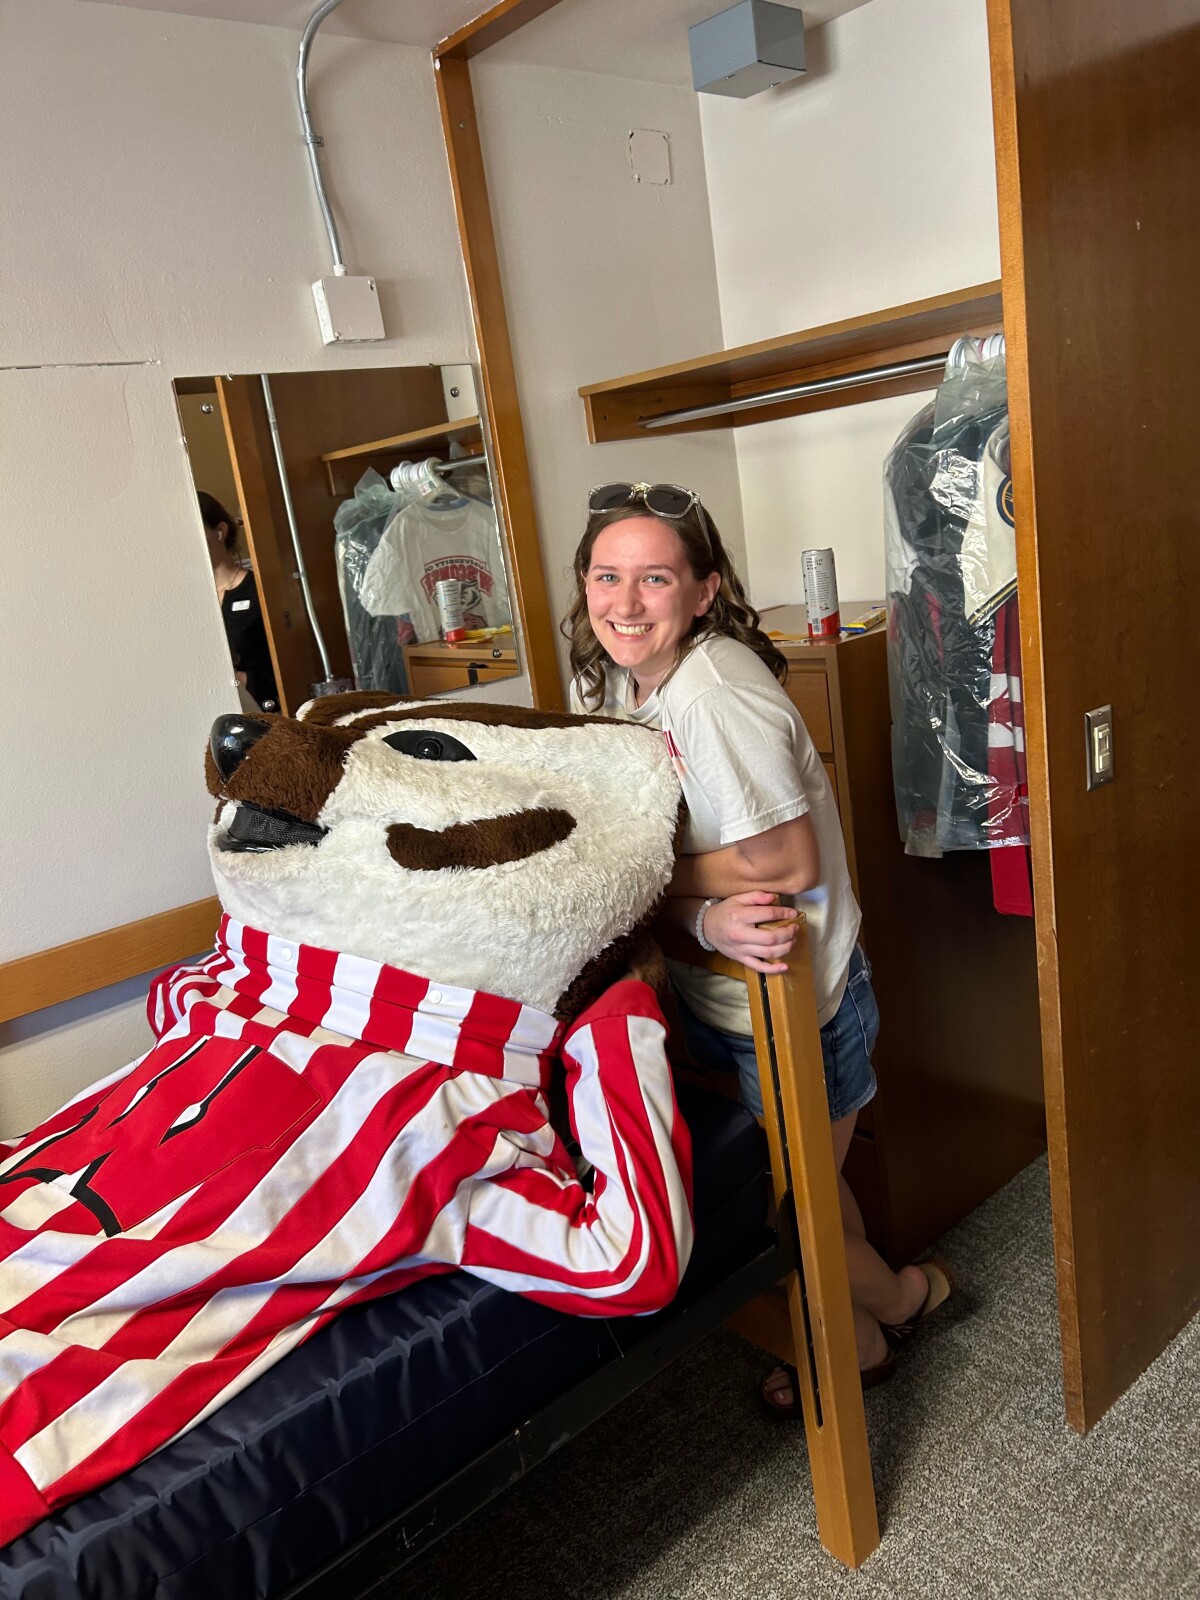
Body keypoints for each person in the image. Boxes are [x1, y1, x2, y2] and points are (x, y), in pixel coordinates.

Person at [564, 481, 951, 1410]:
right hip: (721, 988)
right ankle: (871, 1336)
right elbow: (653, 856)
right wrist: (699, 918)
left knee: (790, 1211)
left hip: (795, 1000)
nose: (624, 602)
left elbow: (782, 859)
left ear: (704, 590)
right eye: (606, 576)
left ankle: (908, 1297)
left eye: (655, 578)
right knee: (809, 1182)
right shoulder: (617, 681)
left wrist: (642, 880)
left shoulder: (713, 694)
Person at [199, 490, 279, 712]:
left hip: (265, 712)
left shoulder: (259, 591)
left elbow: (291, 668)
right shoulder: (187, 601)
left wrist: (238, 679)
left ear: (220, 531)